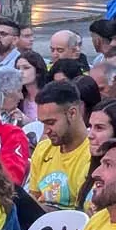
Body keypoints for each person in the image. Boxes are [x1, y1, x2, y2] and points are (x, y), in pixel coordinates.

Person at [27, 81, 91, 211]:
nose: (46, 131)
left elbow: (83, 214)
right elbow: (33, 198)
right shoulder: (43, 149)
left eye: (51, 122)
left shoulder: (93, 154)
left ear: (72, 113)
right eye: (43, 123)